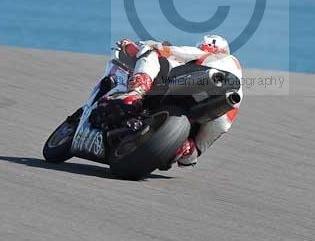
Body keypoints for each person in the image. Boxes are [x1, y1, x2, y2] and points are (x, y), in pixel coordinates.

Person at [101, 34, 243, 168]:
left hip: (196, 83)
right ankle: (184, 146)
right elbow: (187, 162)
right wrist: (191, 151)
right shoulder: (235, 75)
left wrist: (145, 47)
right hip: (226, 106)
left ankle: (137, 90)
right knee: (192, 153)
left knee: (152, 52)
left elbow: (171, 51)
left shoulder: (210, 56)